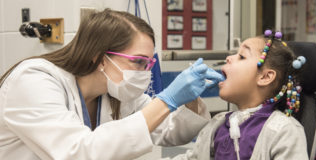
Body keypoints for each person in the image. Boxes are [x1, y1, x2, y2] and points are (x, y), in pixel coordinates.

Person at [0, 9, 224, 160]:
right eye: (138, 61)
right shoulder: (33, 81)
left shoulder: (116, 91)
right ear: (99, 57)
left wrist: (190, 98)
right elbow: (79, 152)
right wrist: (167, 100)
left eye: (149, 63)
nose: (145, 72)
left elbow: (171, 132)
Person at [164, 30, 309, 160]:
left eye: (241, 56)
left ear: (265, 77)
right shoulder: (218, 124)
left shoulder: (284, 131)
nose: (229, 58)